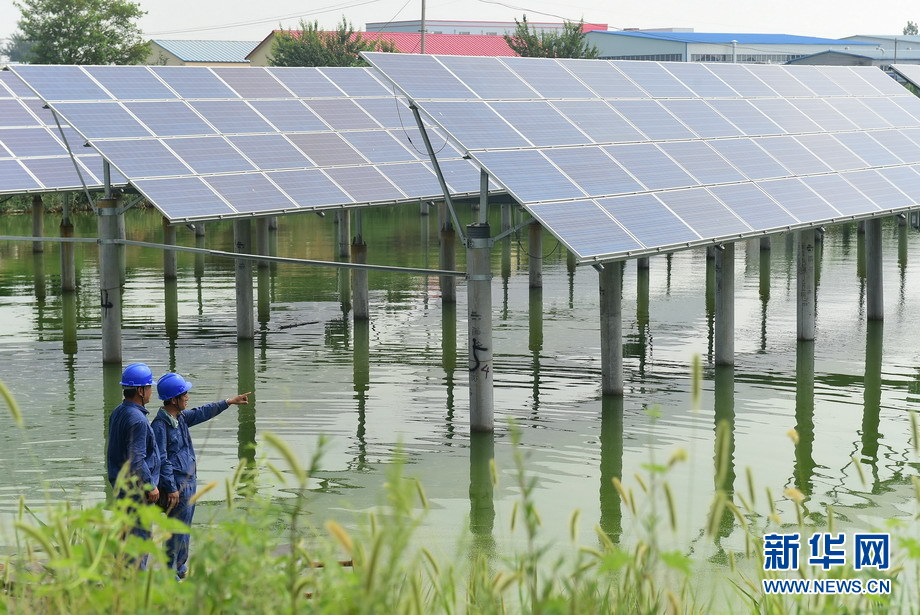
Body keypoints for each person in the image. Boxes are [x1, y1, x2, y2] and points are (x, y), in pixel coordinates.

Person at [152, 372, 250, 579]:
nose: (188, 397)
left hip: (188, 484)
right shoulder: (160, 426)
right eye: (184, 394)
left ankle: (180, 569)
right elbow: (161, 459)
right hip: (176, 488)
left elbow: (203, 412)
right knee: (175, 531)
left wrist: (229, 402)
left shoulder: (181, 418)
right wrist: (170, 488)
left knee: (184, 529)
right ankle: (170, 575)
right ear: (173, 399)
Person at [106, 362, 161, 568]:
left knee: (124, 538)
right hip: (136, 490)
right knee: (139, 539)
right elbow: (136, 458)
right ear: (140, 390)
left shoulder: (118, 412)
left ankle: (121, 583)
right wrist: (150, 485)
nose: (151, 392)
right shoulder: (138, 419)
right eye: (149, 388)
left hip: (121, 486)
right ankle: (136, 588)